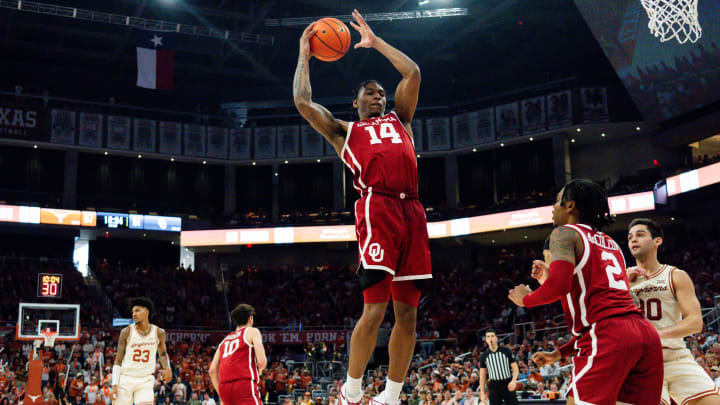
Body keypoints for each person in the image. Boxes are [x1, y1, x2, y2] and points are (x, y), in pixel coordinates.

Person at [293, 9, 430, 405]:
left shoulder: (400, 119)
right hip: (377, 209)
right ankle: (351, 391)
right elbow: (303, 101)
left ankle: (390, 396)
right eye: (370, 92)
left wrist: (375, 42)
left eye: (381, 92)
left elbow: (413, 74)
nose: (378, 96)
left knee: (408, 315)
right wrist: (305, 53)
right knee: (375, 310)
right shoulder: (344, 131)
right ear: (355, 103)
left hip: (413, 213)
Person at [507, 179, 663, 404]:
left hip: (609, 334)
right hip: (644, 334)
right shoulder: (611, 243)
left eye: (557, 201)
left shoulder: (564, 233)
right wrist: (557, 354)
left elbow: (562, 287)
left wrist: (526, 299)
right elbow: (591, 296)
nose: (553, 207)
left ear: (570, 206)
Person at [627, 218, 720, 405]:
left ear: (657, 241)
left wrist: (657, 334)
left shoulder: (676, 275)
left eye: (640, 235)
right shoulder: (620, 278)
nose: (633, 240)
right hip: (639, 362)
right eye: (629, 238)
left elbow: (695, 322)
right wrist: (622, 285)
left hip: (676, 356)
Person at [111, 297, 173, 405]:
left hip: (146, 379)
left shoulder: (159, 332)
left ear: (146, 312)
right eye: (133, 312)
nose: (134, 314)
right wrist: (114, 384)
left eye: (137, 310)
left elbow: (162, 354)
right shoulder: (126, 332)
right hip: (126, 378)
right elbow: (118, 360)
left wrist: (167, 367)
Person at [208, 304, 267, 405]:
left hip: (225, 388)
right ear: (250, 318)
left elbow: (212, 371)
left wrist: (222, 395)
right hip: (243, 384)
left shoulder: (224, 340)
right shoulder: (252, 331)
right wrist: (259, 371)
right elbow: (262, 362)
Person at [478, 330, 518, 405]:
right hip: (494, 385)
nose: (490, 338)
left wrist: (513, 380)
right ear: (486, 340)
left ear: (496, 338)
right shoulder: (484, 355)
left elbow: (515, 368)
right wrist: (482, 393)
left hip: (507, 382)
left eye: (492, 336)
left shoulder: (506, 351)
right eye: (488, 337)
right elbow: (482, 376)